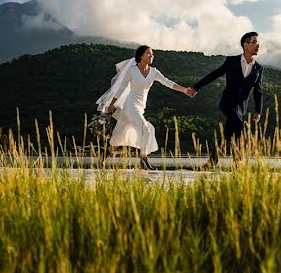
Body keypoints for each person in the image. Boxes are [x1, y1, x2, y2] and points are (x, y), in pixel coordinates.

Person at [96, 45, 195, 170]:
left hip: (140, 108)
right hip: (130, 106)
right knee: (146, 129)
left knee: (118, 137)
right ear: (141, 56)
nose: (151, 56)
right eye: (148, 53)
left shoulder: (154, 72)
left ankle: (103, 157)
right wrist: (111, 105)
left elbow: (168, 82)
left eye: (152, 54)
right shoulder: (132, 70)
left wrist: (185, 90)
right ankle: (143, 161)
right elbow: (121, 88)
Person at [191, 32, 264, 168]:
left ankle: (210, 163)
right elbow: (214, 75)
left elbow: (258, 91)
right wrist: (196, 87)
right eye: (255, 42)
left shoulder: (258, 68)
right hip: (227, 103)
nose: (258, 45)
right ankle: (238, 164)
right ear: (245, 44)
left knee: (227, 134)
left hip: (241, 108)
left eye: (258, 43)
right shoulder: (231, 61)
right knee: (240, 128)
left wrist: (258, 110)